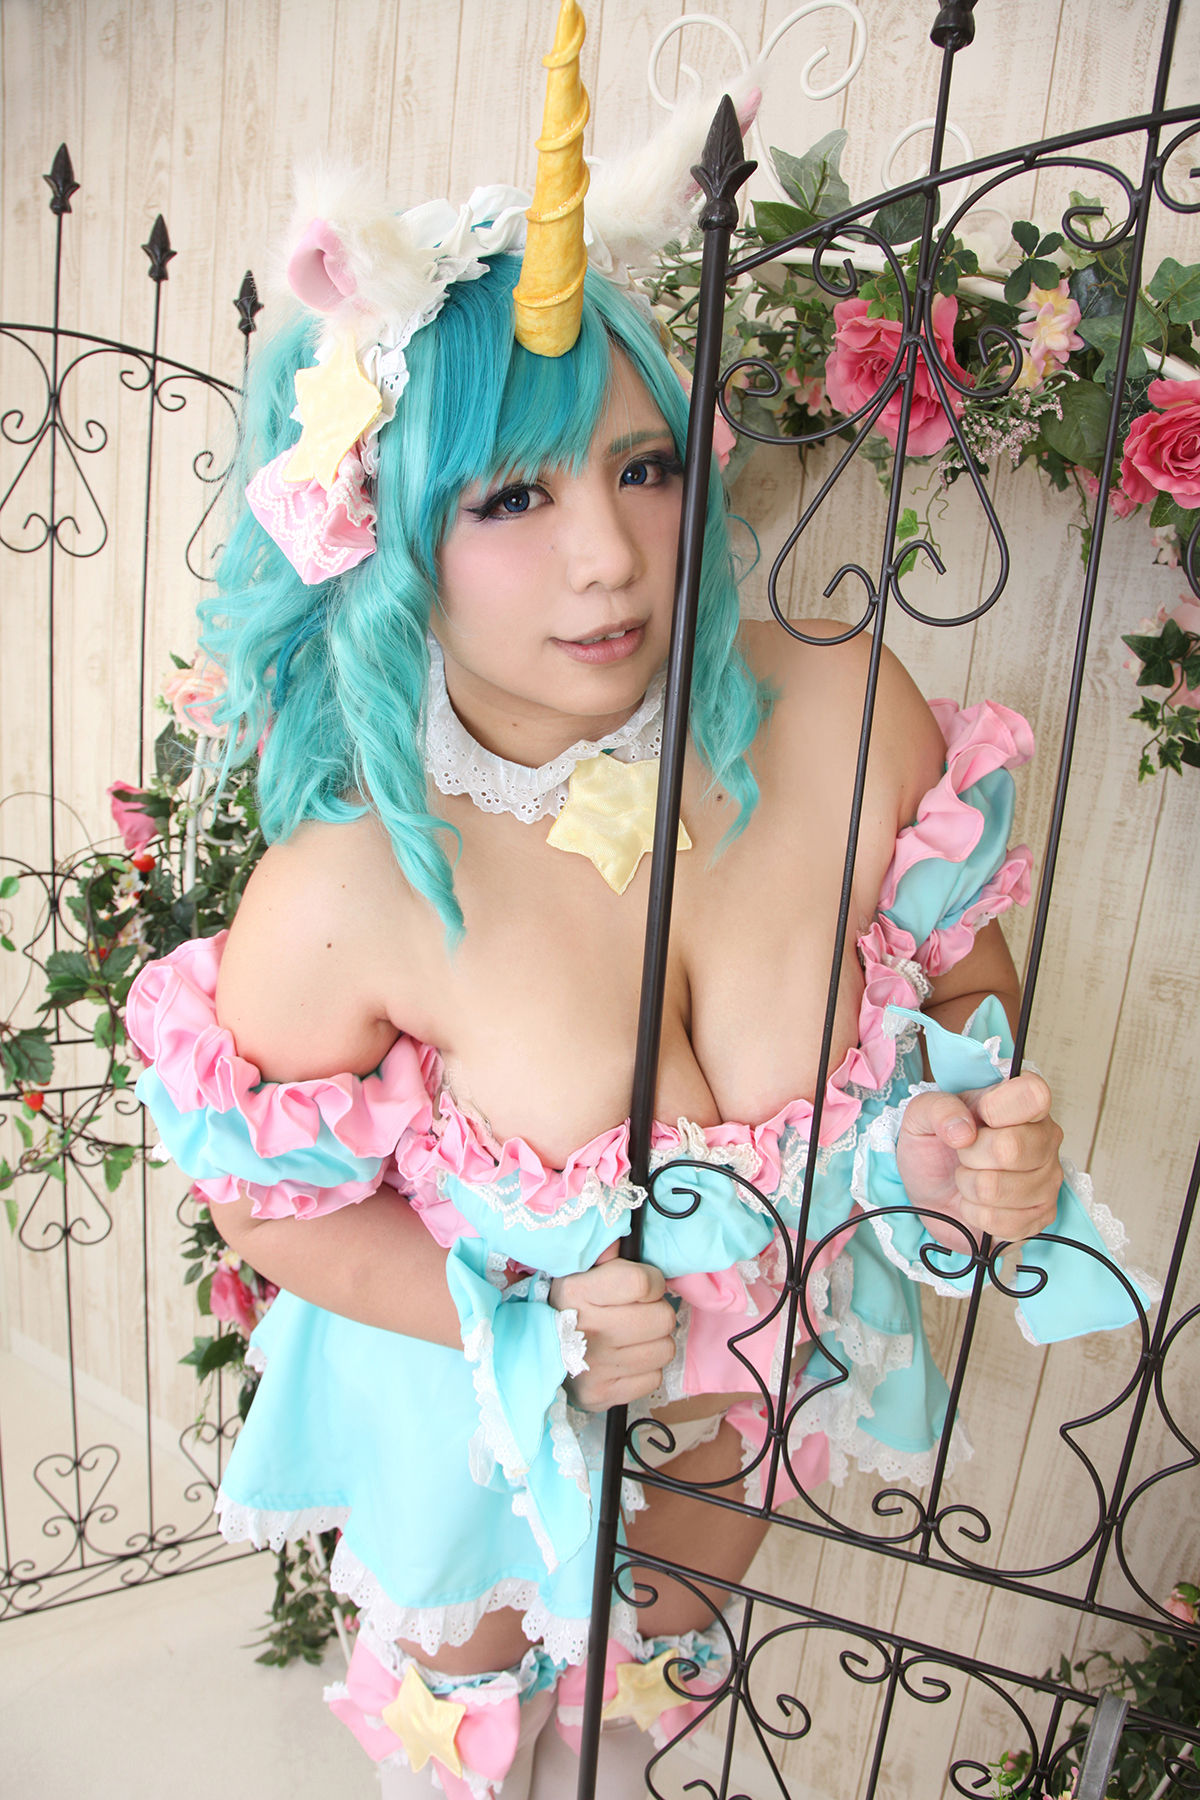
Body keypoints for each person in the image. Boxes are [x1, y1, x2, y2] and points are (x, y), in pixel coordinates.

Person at [125, 7, 1151, 1795]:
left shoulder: (851, 724)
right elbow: (269, 1206)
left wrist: (974, 1141)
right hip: (471, 1448)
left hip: (728, 1442)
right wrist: (507, 1318)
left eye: (643, 465)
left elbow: (960, 1018)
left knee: (635, 1708)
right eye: (513, 496)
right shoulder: (350, 892)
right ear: (385, 529)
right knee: (475, 1748)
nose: (609, 557)